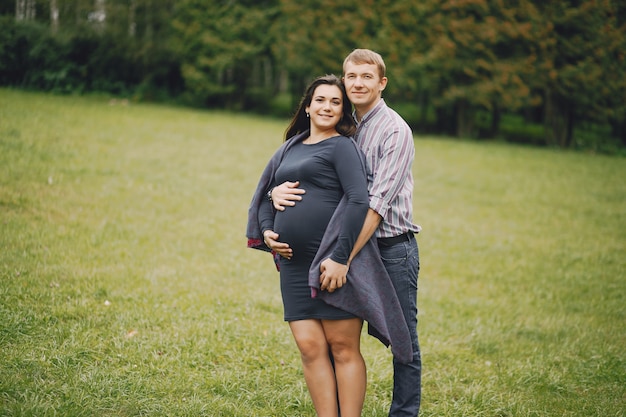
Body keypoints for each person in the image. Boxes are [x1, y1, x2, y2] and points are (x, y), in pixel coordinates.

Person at [270, 49, 422, 416]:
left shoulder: (394, 131)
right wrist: (276, 193)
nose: (357, 83)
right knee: (337, 341)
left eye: (367, 77)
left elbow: (373, 204)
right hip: (350, 247)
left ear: (381, 83)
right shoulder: (347, 125)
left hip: (389, 247)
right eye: (351, 76)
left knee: (403, 342)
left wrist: (342, 257)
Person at [247, 74, 369, 417]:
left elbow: (358, 200)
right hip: (293, 264)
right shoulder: (291, 147)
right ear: (308, 105)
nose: (327, 106)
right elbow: (266, 196)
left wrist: (340, 256)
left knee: (343, 347)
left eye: (336, 102)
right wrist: (268, 231)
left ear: (343, 110)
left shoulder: (342, 146)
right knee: (309, 347)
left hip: (330, 263)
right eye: (321, 100)